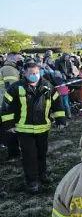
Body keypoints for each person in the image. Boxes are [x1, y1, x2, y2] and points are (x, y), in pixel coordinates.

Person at [1, 62, 66, 193]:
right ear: (24, 73)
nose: (33, 76)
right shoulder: (16, 88)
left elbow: (58, 103)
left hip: (43, 128)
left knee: (42, 154)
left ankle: (42, 175)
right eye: (30, 73)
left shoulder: (47, 86)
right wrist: (8, 125)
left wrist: (60, 120)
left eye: (36, 73)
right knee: (30, 156)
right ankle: (32, 182)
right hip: (24, 129)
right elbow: (6, 106)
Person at [0, 52, 23, 161]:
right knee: (10, 128)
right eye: (19, 58)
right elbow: (13, 88)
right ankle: (14, 153)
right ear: (12, 58)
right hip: (7, 104)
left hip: (3, 102)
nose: (21, 60)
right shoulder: (9, 69)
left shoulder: (7, 68)